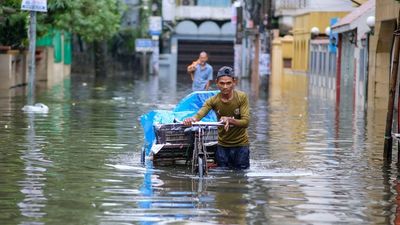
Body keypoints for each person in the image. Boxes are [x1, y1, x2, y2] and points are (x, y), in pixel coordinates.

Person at [183, 66, 250, 169]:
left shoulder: (241, 97)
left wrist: (229, 120)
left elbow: (246, 122)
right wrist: (191, 120)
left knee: (241, 176)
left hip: (241, 145)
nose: (225, 86)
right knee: (222, 175)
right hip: (222, 146)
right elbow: (199, 115)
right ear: (217, 83)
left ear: (234, 82)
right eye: (222, 83)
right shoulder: (213, 100)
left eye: (228, 83)